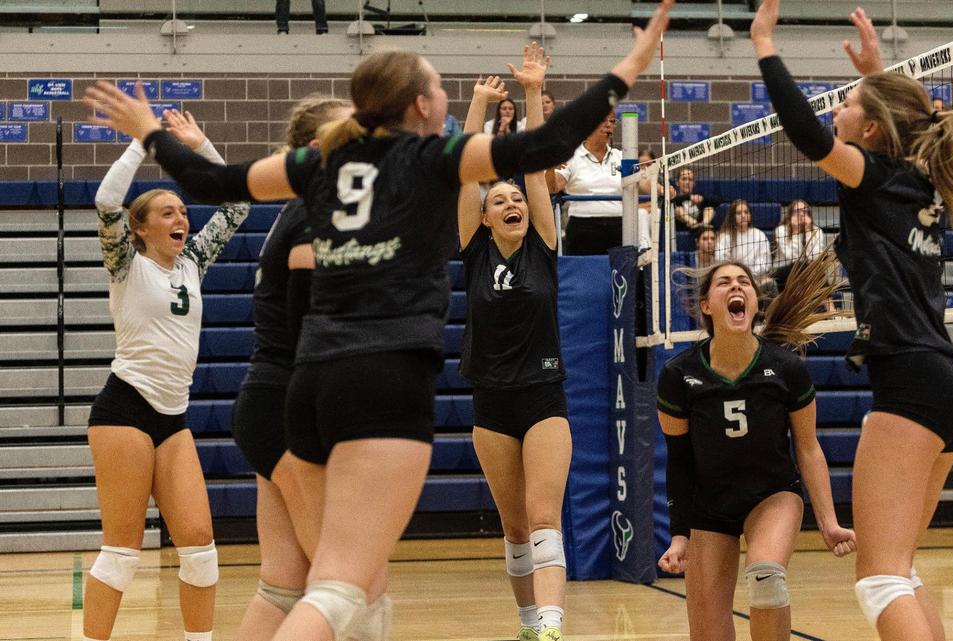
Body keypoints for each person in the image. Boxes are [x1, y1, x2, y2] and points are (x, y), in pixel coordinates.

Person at [84, 4, 675, 640]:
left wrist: (149, 131)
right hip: (383, 382)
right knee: (347, 587)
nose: (445, 95)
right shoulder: (426, 158)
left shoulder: (316, 170)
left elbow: (213, 177)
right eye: (437, 87)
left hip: (308, 384)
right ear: (418, 106)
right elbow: (545, 146)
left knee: (293, 583)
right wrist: (628, 69)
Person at [751, 3, 953, 640]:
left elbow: (806, 134)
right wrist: (877, 73)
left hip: (909, 380)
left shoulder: (873, 175)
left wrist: (765, 46)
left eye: (848, 102)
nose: (836, 109)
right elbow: (900, 123)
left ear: (871, 131)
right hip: (948, 388)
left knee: (880, 578)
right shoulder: (922, 180)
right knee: (900, 571)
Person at [86, 109, 250, 641]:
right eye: (166, 212)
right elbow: (108, 202)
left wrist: (201, 145)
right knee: (122, 551)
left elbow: (238, 202)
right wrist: (141, 144)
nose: (180, 217)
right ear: (141, 227)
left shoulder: (192, 262)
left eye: (182, 209)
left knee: (201, 547)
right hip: (124, 409)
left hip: (173, 417)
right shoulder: (125, 263)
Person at [656, 257, 856, 641]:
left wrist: (828, 522)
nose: (736, 287)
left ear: (754, 301)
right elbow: (679, 461)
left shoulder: (785, 368)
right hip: (708, 505)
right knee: (708, 632)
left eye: (744, 282)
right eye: (724, 283)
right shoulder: (678, 375)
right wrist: (680, 535)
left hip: (772, 496)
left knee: (766, 577)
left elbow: (808, 448)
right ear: (705, 306)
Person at [458, 44, 570, 641]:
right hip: (490, 401)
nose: (512, 203)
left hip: (542, 395)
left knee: (545, 514)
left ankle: (551, 623)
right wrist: (476, 107)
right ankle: (528, 623)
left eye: (518, 201)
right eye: (498, 200)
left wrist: (531, 93)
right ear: (483, 215)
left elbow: (534, 168)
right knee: (514, 525)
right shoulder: (473, 249)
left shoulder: (542, 247)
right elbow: (465, 171)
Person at [230, 95, 352, 641]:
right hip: (286, 405)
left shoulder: (300, 208)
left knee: (283, 585)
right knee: (344, 582)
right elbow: (310, 332)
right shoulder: (311, 213)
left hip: (267, 404)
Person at [546, 110, 623, 255]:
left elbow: (643, 182)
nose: (608, 126)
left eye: (612, 121)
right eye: (603, 121)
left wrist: (662, 189)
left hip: (619, 225)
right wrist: (550, 166)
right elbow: (552, 187)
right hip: (583, 227)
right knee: (584, 274)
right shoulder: (571, 156)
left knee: (619, 275)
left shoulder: (621, 156)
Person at [771, 198, 825, 289]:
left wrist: (808, 232)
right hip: (783, 271)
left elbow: (815, 257)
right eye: (797, 211)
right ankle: (828, 301)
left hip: (807, 271)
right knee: (801, 265)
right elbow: (791, 257)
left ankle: (827, 301)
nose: (801, 214)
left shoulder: (816, 231)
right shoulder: (781, 230)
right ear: (790, 214)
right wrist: (796, 231)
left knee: (817, 270)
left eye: (804, 211)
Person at [715, 199, 771, 280]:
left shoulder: (760, 235)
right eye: (738, 213)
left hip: (755, 279)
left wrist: (748, 275)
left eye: (746, 212)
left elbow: (765, 263)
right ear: (732, 217)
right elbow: (721, 261)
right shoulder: (725, 237)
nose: (743, 215)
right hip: (732, 278)